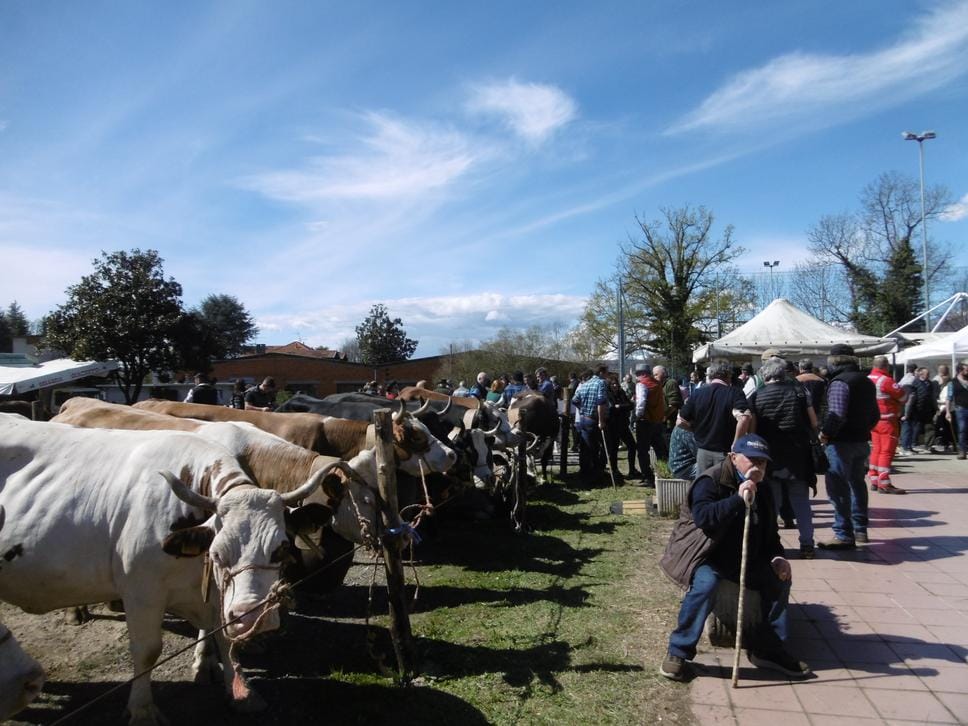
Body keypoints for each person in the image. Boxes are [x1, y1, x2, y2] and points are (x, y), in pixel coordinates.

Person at [658, 434, 811, 682]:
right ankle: (678, 652)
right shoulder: (711, 480)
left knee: (779, 580)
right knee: (705, 586)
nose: (757, 466)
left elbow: (770, 534)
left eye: (762, 462)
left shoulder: (765, 490)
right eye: (751, 459)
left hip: (748, 558)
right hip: (709, 555)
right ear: (733, 457)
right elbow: (704, 518)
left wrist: (777, 557)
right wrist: (738, 499)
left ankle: (767, 649)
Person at [748, 358, 818, 559]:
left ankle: (771, 545)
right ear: (784, 374)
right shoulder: (799, 392)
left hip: (769, 457)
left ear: (764, 375)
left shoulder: (757, 396)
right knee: (801, 502)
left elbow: (753, 431)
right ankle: (807, 545)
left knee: (772, 503)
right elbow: (814, 422)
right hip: (798, 455)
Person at [818, 345, 881, 549]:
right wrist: (863, 429)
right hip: (861, 441)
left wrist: (825, 434)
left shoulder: (840, 382)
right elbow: (875, 415)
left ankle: (843, 533)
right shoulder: (866, 381)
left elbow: (836, 414)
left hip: (840, 442)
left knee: (838, 487)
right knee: (857, 485)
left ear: (835, 360)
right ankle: (860, 529)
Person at [678, 360, 751, 472]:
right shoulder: (735, 393)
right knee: (724, 486)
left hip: (702, 451)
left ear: (711, 375)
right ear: (728, 375)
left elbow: (680, 422)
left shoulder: (698, 393)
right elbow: (744, 418)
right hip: (725, 452)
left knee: (704, 486)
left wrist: (695, 429)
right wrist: (736, 444)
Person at [867, 356, 907, 493]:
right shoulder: (886, 380)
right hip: (887, 421)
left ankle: (874, 479)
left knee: (876, 449)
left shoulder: (868, 378)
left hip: (873, 420)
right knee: (887, 451)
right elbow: (903, 397)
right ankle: (884, 483)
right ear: (886, 366)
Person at [571, 366, 609, 486]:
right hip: (593, 419)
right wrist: (601, 421)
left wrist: (582, 409)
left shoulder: (585, 384)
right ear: (601, 373)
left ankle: (584, 472)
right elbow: (601, 402)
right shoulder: (601, 383)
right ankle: (595, 475)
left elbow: (574, 400)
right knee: (596, 448)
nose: (607, 375)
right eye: (607, 373)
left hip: (583, 419)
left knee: (585, 448)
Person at [634, 363, 665, 485]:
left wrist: (638, 415)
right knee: (659, 449)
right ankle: (664, 473)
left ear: (641, 374)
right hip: (657, 421)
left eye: (637, 374)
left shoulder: (642, 384)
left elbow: (641, 402)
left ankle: (648, 477)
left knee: (642, 450)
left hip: (645, 421)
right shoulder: (657, 384)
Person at [606, 372, 639, 480]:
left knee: (632, 446)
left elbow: (630, 405)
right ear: (609, 385)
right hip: (612, 426)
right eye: (612, 384)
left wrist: (619, 406)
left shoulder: (621, 393)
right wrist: (620, 407)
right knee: (613, 450)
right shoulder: (607, 394)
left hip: (623, 425)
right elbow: (610, 409)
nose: (615, 386)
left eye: (616, 384)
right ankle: (615, 471)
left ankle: (632, 469)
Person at [900, 367, 934, 455]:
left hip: (921, 410)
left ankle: (910, 446)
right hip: (913, 409)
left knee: (913, 429)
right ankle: (905, 447)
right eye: (926, 374)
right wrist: (907, 413)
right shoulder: (914, 384)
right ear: (920, 374)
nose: (928, 375)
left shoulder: (928, 384)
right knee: (908, 428)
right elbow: (910, 400)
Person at [654, 365, 683, 439]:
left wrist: (664, 416)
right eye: (654, 375)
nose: (654, 377)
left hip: (671, 422)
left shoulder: (670, 383)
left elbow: (674, 405)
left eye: (656, 374)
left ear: (663, 374)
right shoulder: (661, 385)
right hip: (664, 422)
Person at [947, 362, 968, 460]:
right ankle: (962, 451)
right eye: (966, 370)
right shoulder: (953, 382)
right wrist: (947, 411)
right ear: (960, 370)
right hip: (960, 408)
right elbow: (949, 397)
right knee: (962, 429)